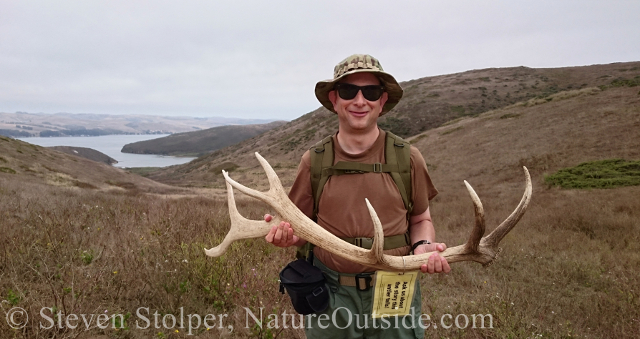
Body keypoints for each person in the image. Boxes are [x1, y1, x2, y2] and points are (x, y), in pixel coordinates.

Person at [265, 54, 450, 338]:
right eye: (349, 91)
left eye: (371, 92)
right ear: (335, 99)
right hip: (332, 292)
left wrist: (424, 245)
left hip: (395, 287)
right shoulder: (314, 162)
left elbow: (421, 218)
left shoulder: (408, 158)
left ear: (383, 100)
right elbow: (299, 228)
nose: (360, 101)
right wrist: (287, 235)